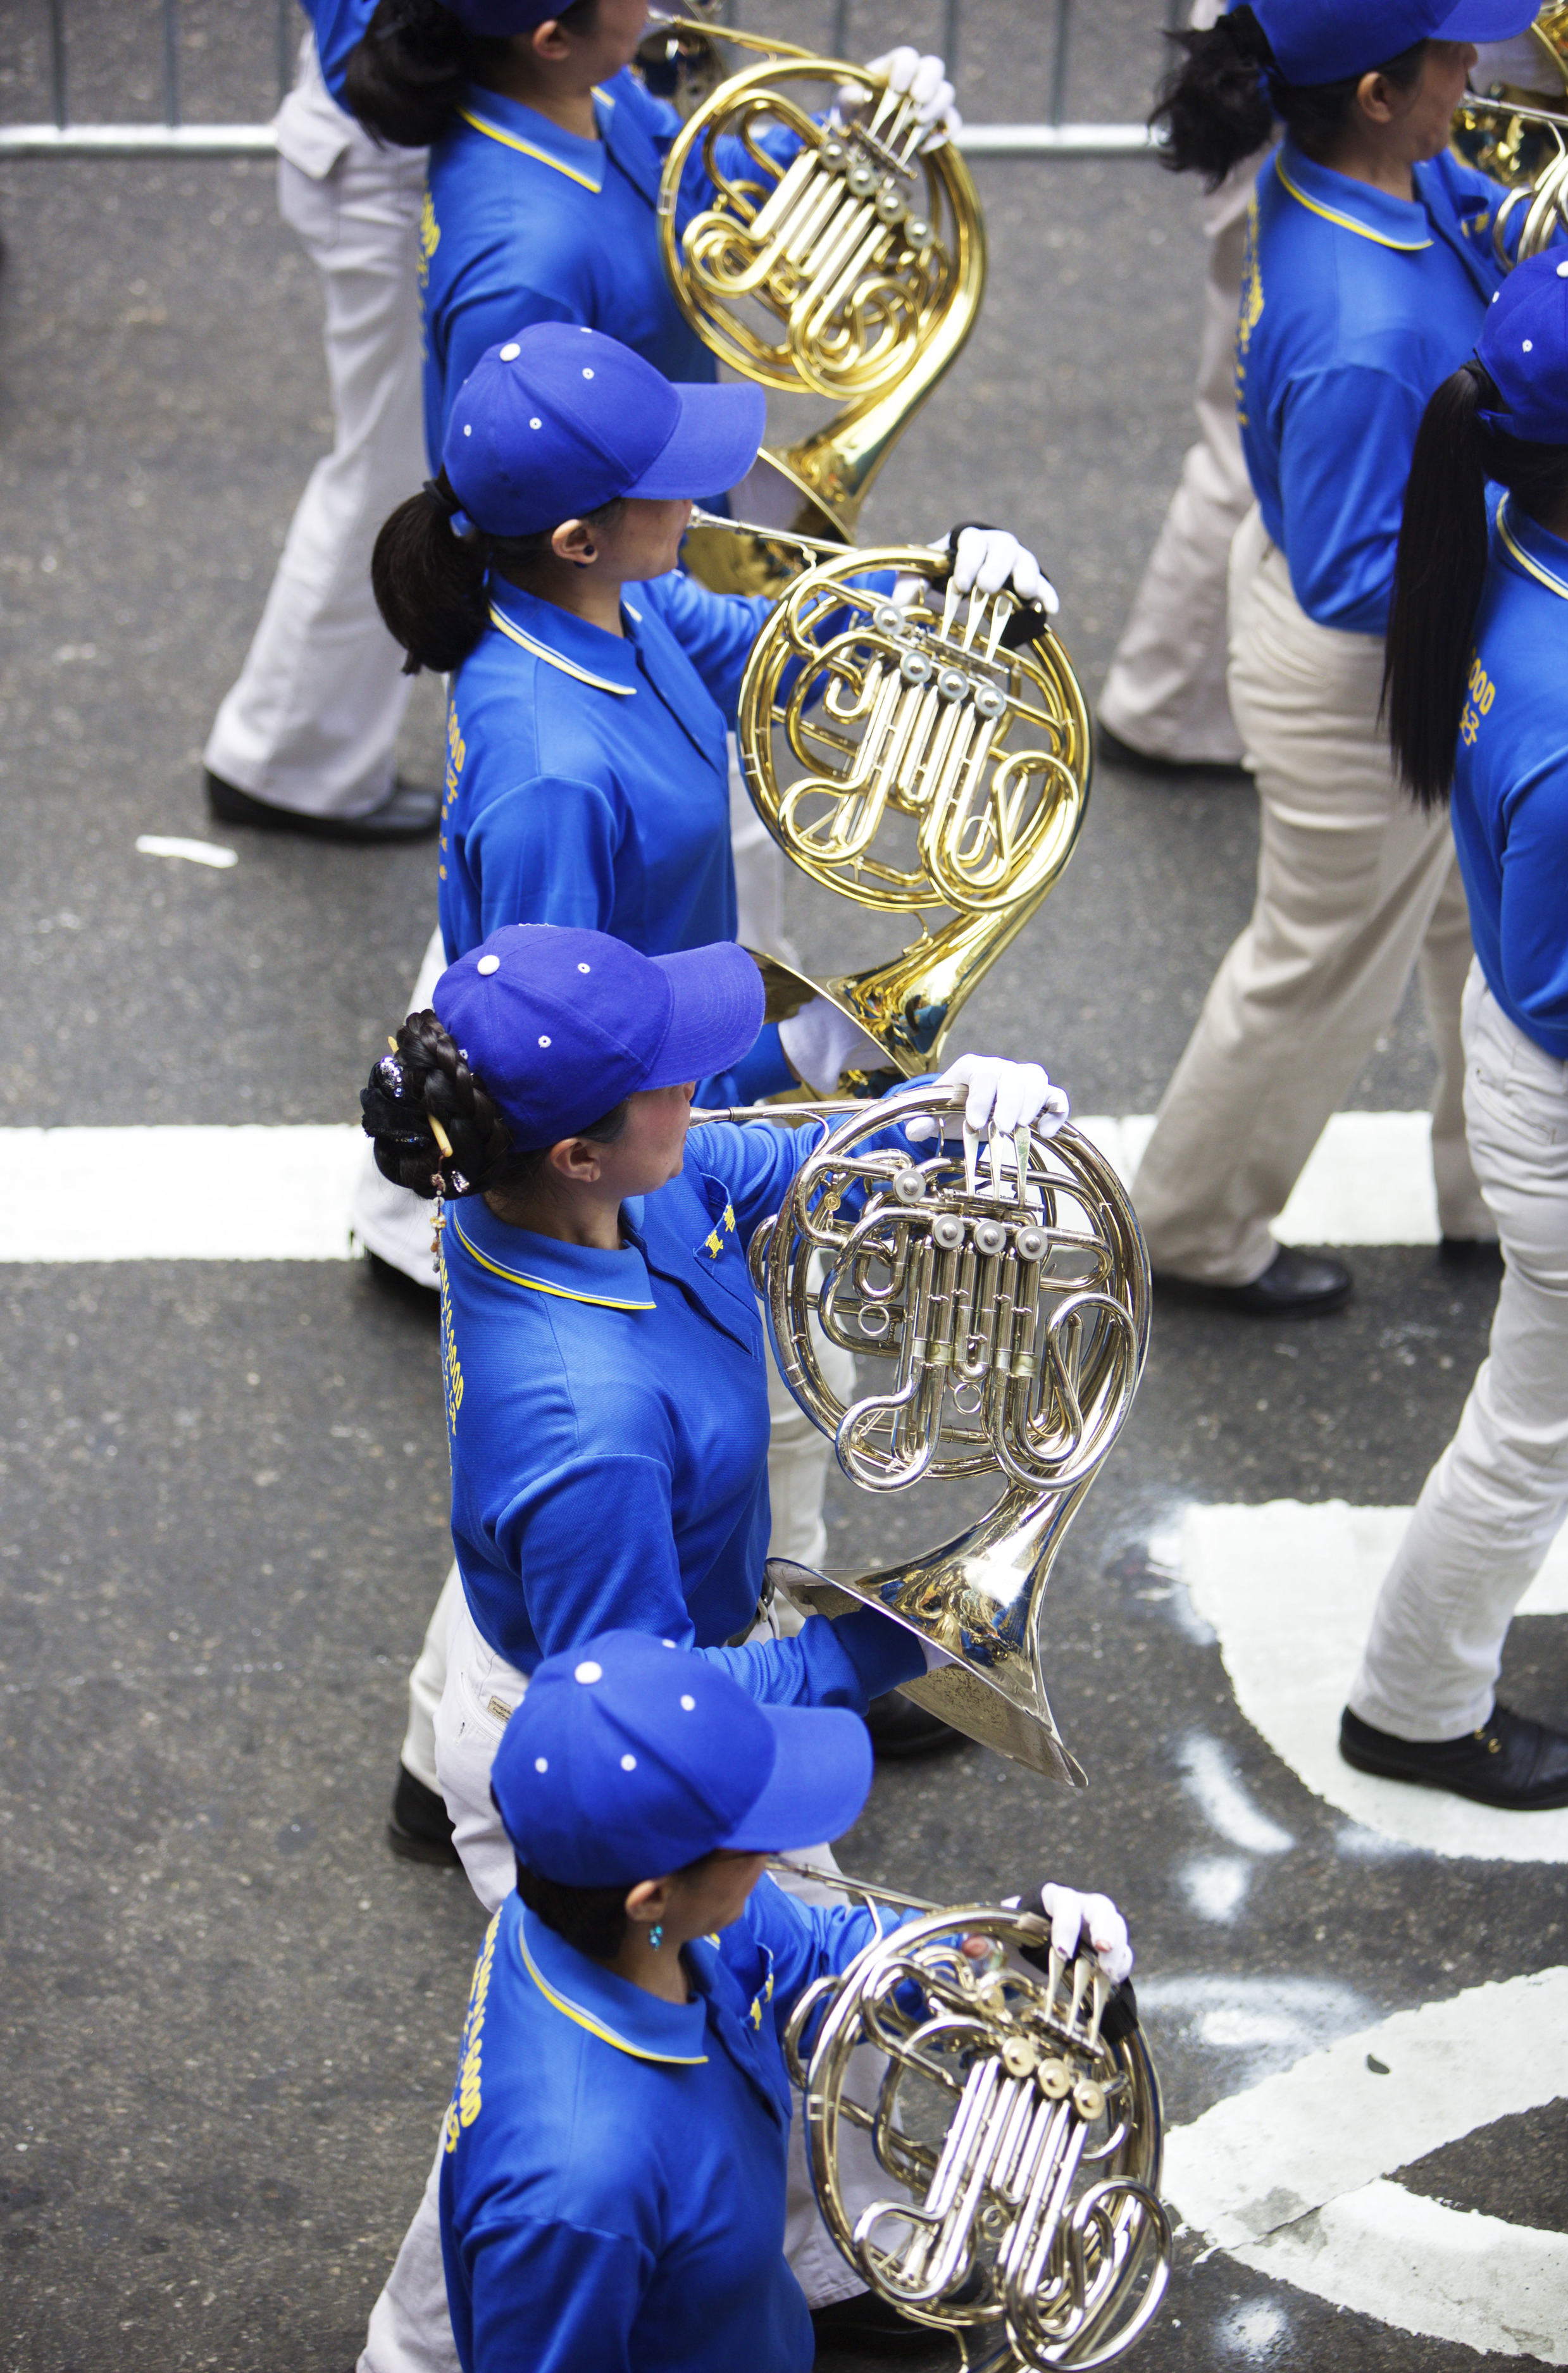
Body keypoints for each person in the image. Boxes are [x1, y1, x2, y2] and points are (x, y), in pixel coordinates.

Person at [357, 324, 1061, 1832]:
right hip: (636, 1095)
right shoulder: (547, 764)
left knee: (596, 1457)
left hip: (652, 1086)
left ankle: (462, 1749)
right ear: (574, 530)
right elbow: (542, 1018)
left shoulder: (611, 595)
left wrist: (938, 616)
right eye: (672, 480)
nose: (712, 492)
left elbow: (760, 659)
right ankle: (734, 1686)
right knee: (694, 1428)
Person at [352, 920, 1071, 2368]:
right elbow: (638, 1710)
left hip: (646, 1676)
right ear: (577, 1151)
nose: (709, 1083)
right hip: (622, 1722)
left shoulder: (602, 1195)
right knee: (617, 2078)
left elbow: (771, 1159)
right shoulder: (585, 1432)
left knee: (662, 2020)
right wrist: (876, 1646)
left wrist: (941, 1134)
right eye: (669, 1080)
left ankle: (785, 2260)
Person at [1127, 0, 1534, 1317]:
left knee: (1476, 924)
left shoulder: (1348, 167)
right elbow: (1366, 577)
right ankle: (1192, 1225)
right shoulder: (1372, 337)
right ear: (1372, 90)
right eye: (1454, 56)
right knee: (1314, 970)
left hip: (1347, 630)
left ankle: (1493, 1192)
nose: (1478, 71)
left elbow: (1459, 201)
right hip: (1363, 676)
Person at [437, 1628, 1135, 2372]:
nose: (774, 1853)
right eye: (752, 1841)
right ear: (652, 1898)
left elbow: (815, 1952)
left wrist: (1006, 1940)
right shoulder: (578, 2191)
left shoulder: (587, 1906)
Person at [1341, 246, 1568, 1809]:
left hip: (1531, 1041)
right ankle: (1414, 1704)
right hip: (1566, 1092)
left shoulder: (1515, 535)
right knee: (1530, 1432)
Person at [340, 0, 959, 468]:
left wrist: (847, 133)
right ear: (551, 39)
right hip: (632, 564)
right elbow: (524, 533)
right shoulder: (523, 271)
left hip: (666, 480)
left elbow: (690, 180)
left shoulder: (582, 85)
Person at [202, 1, 440, 842]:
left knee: (391, 468)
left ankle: (296, 756)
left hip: (394, 147)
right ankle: (287, 762)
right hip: (395, 155)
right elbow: (388, 66)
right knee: (389, 477)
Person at [1097, 0, 1262, 776]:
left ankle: (1172, 698)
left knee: (1251, 427)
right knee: (1251, 434)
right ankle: (1163, 703)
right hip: (1319, 81)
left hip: (1317, 74)